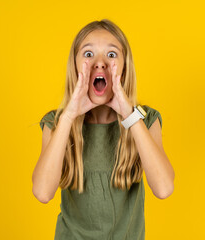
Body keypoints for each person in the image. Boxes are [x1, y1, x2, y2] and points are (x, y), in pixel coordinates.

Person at [32, 19, 175, 240]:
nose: (100, 63)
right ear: (75, 65)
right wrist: (69, 115)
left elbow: (164, 188)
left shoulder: (144, 119)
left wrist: (129, 114)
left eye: (111, 54)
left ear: (125, 66)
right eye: (88, 55)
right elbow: (42, 192)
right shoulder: (57, 122)